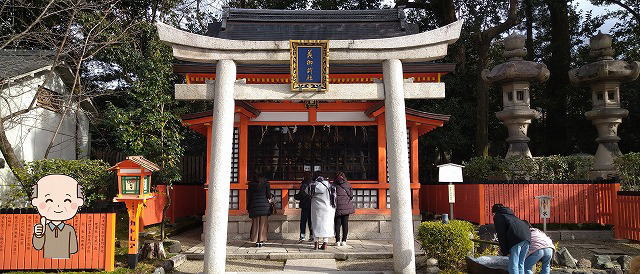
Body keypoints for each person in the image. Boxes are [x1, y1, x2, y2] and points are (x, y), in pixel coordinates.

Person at [31, 175, 84, 259]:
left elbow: (74, 249)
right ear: (35, 201)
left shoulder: (69, 229)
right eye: (49, 200)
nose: (58, 205)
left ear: (79, 202)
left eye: (67, 200)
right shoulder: (44, 229)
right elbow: (38, 246)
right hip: (47, 261)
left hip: (65, 260)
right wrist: (38, 235)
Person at [492, 204, 531, 274]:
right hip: (527, 238)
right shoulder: (511, 215)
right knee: (520, 264)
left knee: (513, 264)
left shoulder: (498, 216)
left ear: (494, 212)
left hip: (516, 239)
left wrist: (504, 251)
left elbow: (501, 234)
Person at [310, 176, 336, 250]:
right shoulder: (329, 186)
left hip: (316, 207)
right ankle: (325, 243)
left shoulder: (313, 186)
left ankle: (316, 244)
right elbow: (334, 196)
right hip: (327, 207)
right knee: (326, 225)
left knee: (315, 224)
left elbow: (307, 192)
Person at [247, 174, 272, 247]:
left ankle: (256, 240)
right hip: (264, 206)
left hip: (254, 205)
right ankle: (261, 240)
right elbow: (268, 195)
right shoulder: (266, 184)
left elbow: (249, 196)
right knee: (263, 224)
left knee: (255, 224)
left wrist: (248, 207)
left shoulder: (251, 184)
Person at [333, 171, 354, 247]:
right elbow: (351, 196)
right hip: (346, 207)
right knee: (345, 224)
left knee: (337, 224)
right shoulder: (347, 184)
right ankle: (344, 241)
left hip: (337, 207)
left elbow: (331, 196)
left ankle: (337, 241)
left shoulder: (333, 185)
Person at [294, 171, 314, 243]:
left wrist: (295, 196)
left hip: (305, 205)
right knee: (311, 222)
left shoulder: (304, 184)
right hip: (312, 205)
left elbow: (300, 195)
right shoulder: (314, 184)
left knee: (303, 222)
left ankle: (302, 237)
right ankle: (312, 236)